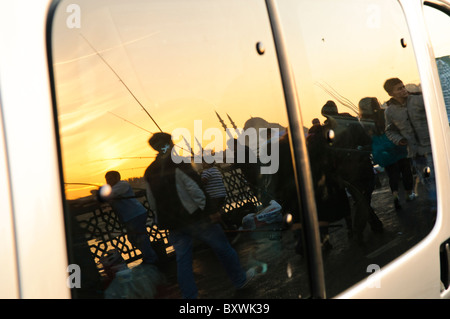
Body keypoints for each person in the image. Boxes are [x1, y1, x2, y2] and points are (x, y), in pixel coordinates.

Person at [144, 132, 255, 299]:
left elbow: (152, 202)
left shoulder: (148, 172)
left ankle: (190, 297)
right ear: (170, 144)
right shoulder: (179, 163)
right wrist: (211, 212)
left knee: (183, 261)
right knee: (223, 248)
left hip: (172, 224)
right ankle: (240, 280)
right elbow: (195, 190)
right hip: (195, 218)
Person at [382, 78, 436, 209]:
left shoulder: (420, 100)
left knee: (437, 176)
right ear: (391, 93)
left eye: (403, 87)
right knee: (427, 180)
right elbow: (389, 131)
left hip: (431, 147)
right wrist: (399, 139)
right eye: (398, 89)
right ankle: (438, 206)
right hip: (414, 152)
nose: (403, 90)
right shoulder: (389, 112)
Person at [358, 97, 415, 211]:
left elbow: (368, 137)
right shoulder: (384, 113)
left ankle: (395, 195)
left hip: (381, 150)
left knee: (392, 174)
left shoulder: (364, 121)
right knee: (405, 170)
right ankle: (409, 193)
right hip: (395, 143)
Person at [104, 170, 159, 265]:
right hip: (129, 217)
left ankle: (151, 259)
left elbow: (109, 194)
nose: (108, 181)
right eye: (107, 179)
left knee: (141, 238)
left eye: (110, 179)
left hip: (136, 214)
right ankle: (149, 256)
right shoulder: (113, 188)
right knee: (133, 239)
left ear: (117, 178)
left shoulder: (122, 185)